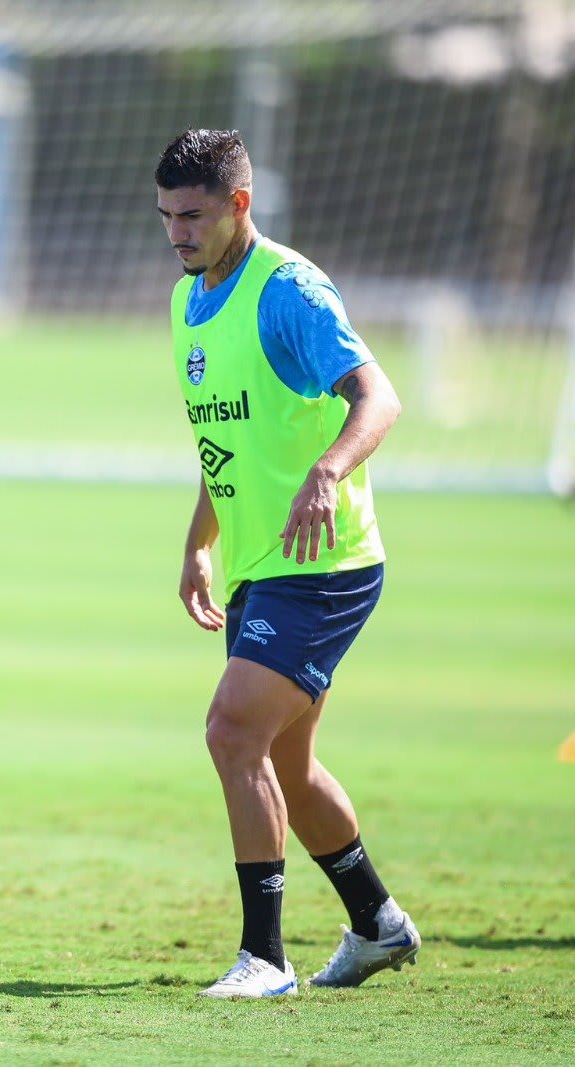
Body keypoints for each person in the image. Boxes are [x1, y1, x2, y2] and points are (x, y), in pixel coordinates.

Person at [154, 128, 419, 999]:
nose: (177, 234)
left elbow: (379, 395)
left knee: (232, 731)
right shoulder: (187, 301)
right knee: (287, 763)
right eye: (164, 217)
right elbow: (223, 439)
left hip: (325, 561)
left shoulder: (289, 292)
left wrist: (328, 470)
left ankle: (265, 958)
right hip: (257, 564)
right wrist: (201, 538)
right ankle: (378, 924)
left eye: (192, 216)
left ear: (239, 204)